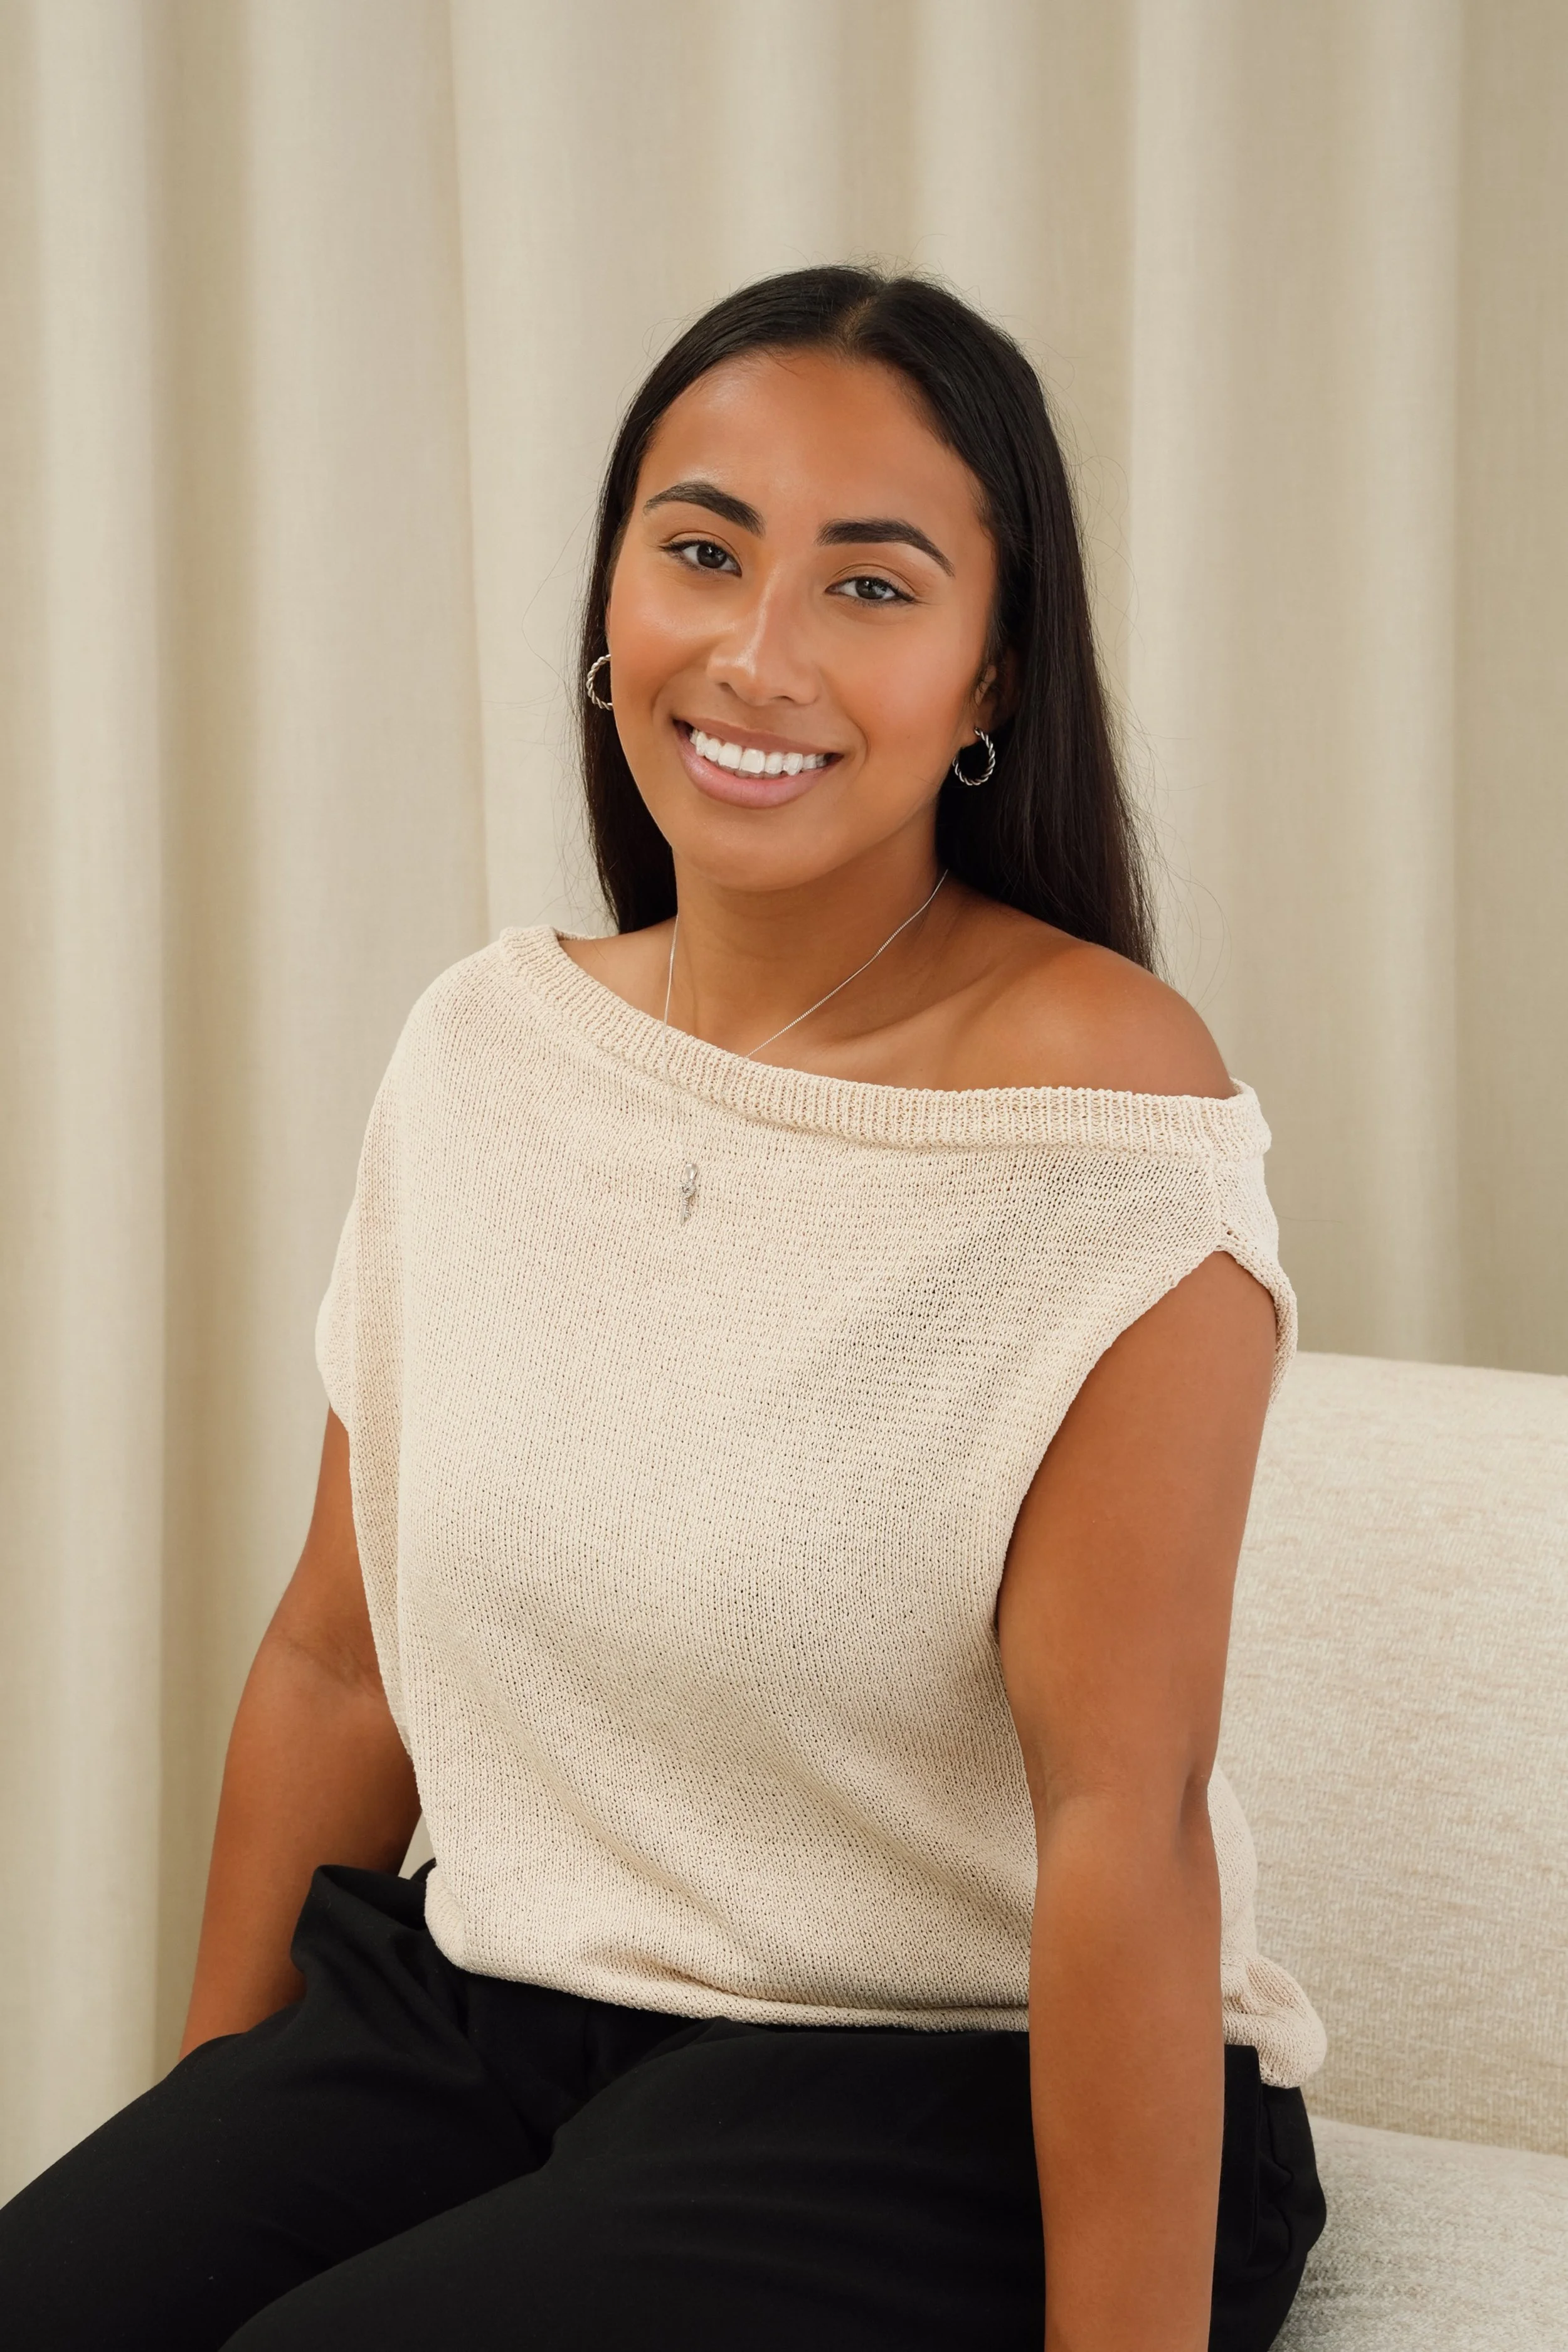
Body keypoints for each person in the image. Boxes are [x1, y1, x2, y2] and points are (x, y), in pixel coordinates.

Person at [0, 266, 1327, 2351]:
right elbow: (337, 1667)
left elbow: (1119, 1812)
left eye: (871, 589)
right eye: (699, 550)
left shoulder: (1095, 1114)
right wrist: (212, 2141)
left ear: (993, 677)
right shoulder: (483, 1050)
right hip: (489, 2007)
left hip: (940, 2083)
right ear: (608, 597)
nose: (756, 650)